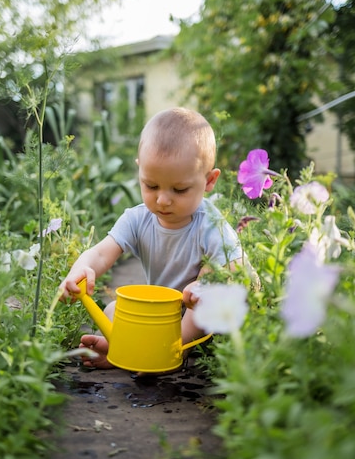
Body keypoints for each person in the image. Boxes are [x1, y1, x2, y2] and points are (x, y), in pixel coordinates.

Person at [59, 107, 243, 368]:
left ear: (209, 180)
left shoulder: (210, 223)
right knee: (114, 311)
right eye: (151, 185)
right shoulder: (137, 218)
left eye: (179, 189)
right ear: (140, 171)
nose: (162, 199)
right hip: (158, 316)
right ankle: (123, 351)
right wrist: (81, 270)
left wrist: (205, 288)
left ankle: (169, 352)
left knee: (209, 280)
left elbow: (238, 267)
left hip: (199, 320)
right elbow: (100, 253)